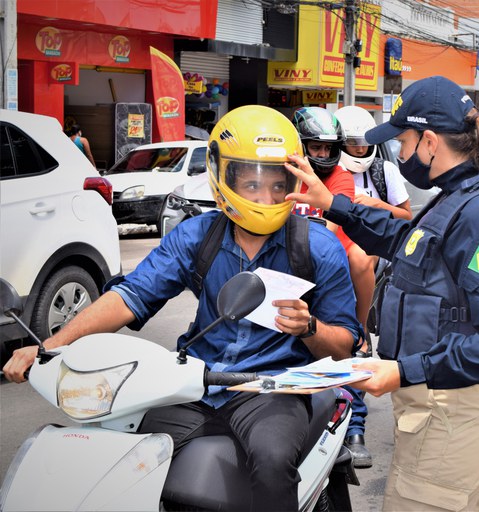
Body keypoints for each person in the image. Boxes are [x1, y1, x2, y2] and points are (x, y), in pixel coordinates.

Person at [4, 105, 360, 511]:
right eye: (251, 183)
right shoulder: (197, 236)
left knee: (273, 461)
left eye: (277, 185)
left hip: (272, 388)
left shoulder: (319, 247)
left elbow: (345, 348)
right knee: (113, 447)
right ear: (222, 177)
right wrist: (50, 346)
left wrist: (309, 327)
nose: (266, 196)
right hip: (196, 382)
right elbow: (131, 296)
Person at [285, 76, 479, 511]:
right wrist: (334, 204)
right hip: (443, 412)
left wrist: (404, 370)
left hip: (452, 416)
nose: (401, 154)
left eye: (403, 142)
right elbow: (408, 243)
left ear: (430, 141)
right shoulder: (458, 198)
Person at [290, 106, 373, 469]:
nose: (322, 155)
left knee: (346, 344)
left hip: (328, 271)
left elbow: (332, 230)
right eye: (315, 148)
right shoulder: (282, 171)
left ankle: (355, 427)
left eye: (328, 149)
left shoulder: (341, 178)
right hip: (286, 271)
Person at [336, 104, 413, 348]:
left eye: (365, 142)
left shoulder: (384, 170)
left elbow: (407, 216)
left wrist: (376, 206)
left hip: (374, 243)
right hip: (335, 241)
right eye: (353, 142)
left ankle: (360, 329)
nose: (360, 148)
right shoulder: (329, 170)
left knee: (358, 257)